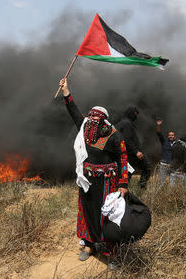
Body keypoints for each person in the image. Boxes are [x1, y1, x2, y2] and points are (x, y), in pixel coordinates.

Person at [59, 78, 130, 261]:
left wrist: (123, 184)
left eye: (95, 118)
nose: (91, 121)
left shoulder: (115, 136)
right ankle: (89, 245)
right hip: (87, 180)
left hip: (108, 182)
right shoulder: (84, 127)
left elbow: (123, 158)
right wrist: (66, 91)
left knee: (107, 215)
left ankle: (111, 252)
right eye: (90, 117)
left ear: (103, 121)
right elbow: (74, 112)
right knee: (87, 212)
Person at [116, 107, 151, 188]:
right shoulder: (127, 124)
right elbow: (127, 140)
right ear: (130, 113)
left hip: (124, 153)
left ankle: (124, 190)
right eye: (135, 114)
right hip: (130, 154)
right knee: (146, 168)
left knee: (127, 173)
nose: (136, 117)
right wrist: (136, 152)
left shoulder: (121, 123)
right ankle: (141, 188)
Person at [156, 118, 186, 186]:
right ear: (168, 136)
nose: (171, 136)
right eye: (170, 135)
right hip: (164, 165)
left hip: (173, 166)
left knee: (172, 184)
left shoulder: (178, 144)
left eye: (172, 135)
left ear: (175, 136)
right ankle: (160, 195)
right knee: (161, 183)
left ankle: (171, 196)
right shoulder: (164, 141)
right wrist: (158, 125)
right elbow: (159, 133)